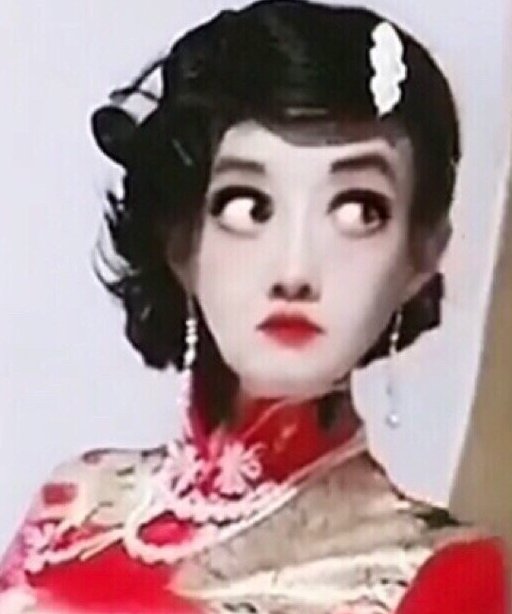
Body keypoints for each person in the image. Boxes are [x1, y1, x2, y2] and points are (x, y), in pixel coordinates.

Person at [0, 0, 508, 612]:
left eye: (358, 211)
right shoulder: (75, 506)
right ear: (182, 242)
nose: (294, 271)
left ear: (420, 256)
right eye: (246, 207)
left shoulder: (439, 573)